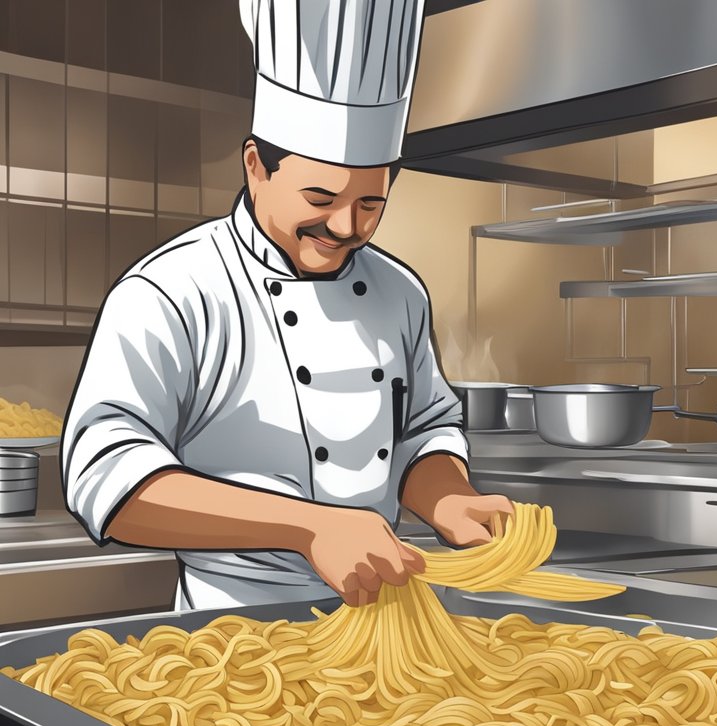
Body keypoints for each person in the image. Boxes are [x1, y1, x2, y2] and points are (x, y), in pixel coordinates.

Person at [60, 0, 511, 610]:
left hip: (386, 626)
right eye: (320, 195)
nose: (346, 225)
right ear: (255, 168)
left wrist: (447, 498)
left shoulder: (400, 292)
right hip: (230, 638)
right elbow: (105, 474)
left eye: (371, 204)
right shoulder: (172, 291)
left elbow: (421, 432)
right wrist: (309, 528)